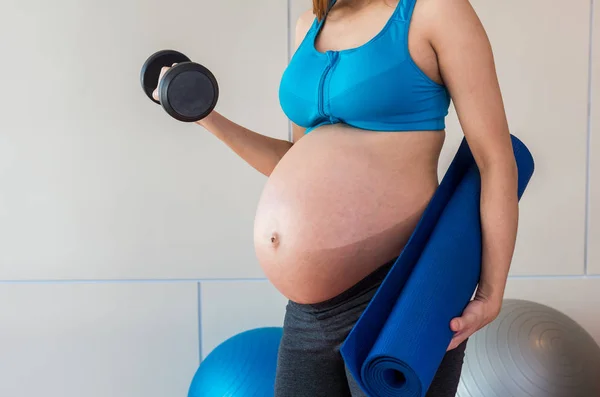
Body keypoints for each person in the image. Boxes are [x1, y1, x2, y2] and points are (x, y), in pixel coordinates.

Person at [155, 0, 518, 395]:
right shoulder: (309, 24)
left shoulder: (434, 11)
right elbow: (296, 160)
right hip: (309, 314)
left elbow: (494, 159)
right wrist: (206, 116)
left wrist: (490, 290)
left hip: (398, 292)